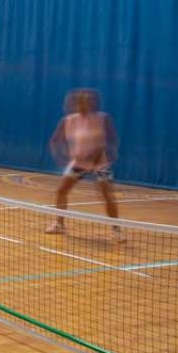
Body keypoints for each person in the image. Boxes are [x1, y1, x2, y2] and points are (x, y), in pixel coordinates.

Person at [45, 88, 123, 241]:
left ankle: (116, 230)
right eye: (83, 101)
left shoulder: (103, 118)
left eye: (90, 100)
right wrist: (62, 157)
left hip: (99, 163)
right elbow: (55, 140)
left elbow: (112, 139)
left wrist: (110, 153)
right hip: (79, 163)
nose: (87, 103)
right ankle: (59, 224)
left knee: (107, 196)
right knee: (61, 191)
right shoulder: (69, 120)